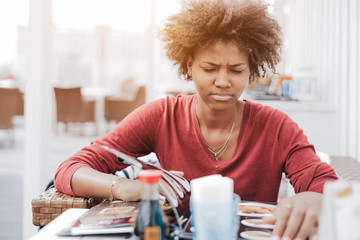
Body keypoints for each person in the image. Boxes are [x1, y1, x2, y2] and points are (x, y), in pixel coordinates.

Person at [54, 0, 337, 239]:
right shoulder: (161, 116)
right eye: (210, 68)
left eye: (236, 70)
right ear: (189, 65)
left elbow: (326, 185)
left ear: (251, 69)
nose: (223, 81)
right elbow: (70, 170)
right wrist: (125, 187)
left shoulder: (276, 127)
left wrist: (315, 198)